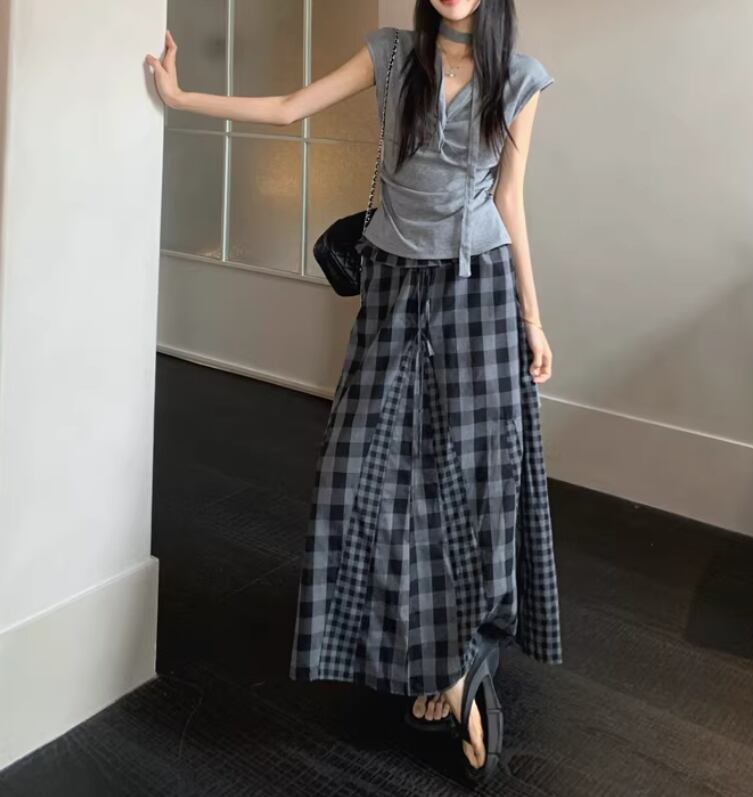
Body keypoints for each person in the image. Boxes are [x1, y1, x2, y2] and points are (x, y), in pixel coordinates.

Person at [146, 0, 562, 782]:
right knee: (358, 473)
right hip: (394, 287)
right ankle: (425, 657)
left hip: (478, 295)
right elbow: (287, 106)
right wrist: (179, 95)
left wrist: (532, 323)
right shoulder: (391, 55)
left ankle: (457, 665)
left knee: (470, 483)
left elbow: (510, 201)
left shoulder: (519, 79)